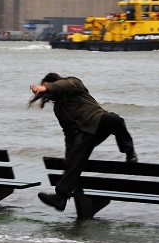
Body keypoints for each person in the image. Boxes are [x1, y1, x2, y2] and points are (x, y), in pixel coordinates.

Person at [28, 73, 137, 211]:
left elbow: (65, 84)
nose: (47, 92)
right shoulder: (59, 109)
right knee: (76, 155)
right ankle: (61, 198)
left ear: (54, 84)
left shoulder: (73, 84)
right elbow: (68, 134)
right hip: (86, 134)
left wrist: (46, 88)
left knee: (115, 120)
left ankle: (130, 153)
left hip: (100, 121)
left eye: (48, 88)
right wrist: (69, 154)